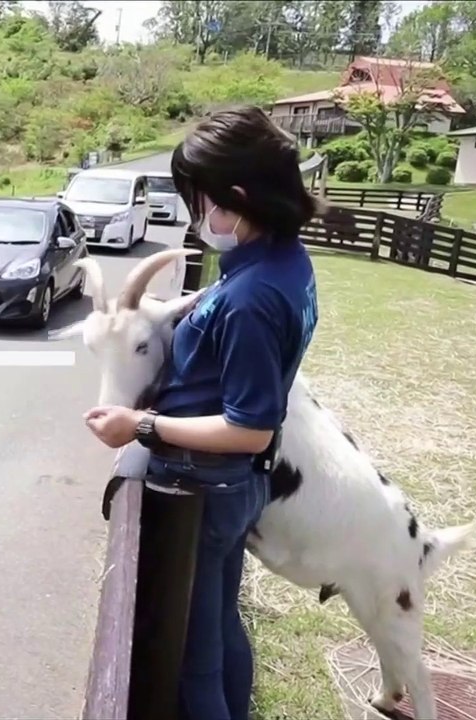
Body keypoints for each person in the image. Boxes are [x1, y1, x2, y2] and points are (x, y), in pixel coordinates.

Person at [82, 105, 320, 720]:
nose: (196, 214)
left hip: (204, 486)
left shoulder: (251, 298)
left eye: (198, 198)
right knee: (218, 625)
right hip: (230, 487)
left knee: (193, 659)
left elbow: (249, 428)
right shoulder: (279, 261)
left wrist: (138, 426)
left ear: (234, 197)